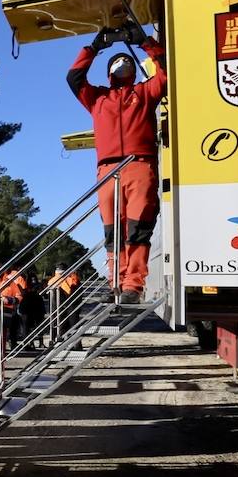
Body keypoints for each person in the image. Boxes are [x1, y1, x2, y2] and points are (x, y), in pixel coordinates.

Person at [67, 28, 167, 305]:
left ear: (134, 71)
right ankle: (115, 281)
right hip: (107, 171)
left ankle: (133, 285)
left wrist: (146, 43)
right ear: (109, 72)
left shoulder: (145, 93)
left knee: (138, 227)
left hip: (140, 164)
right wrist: (94, 47)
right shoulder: (97, 98)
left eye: (126, 62)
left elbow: (165, 72)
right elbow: (74, 78)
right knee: (113, 231)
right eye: (116, 63)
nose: (122, 65)